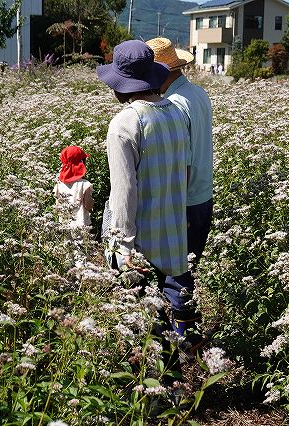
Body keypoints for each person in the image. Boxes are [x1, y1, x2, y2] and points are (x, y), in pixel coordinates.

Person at [96, 39, 191, 298]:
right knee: (173, 318)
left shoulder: (125, 123)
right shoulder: (177, 113)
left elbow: (124, 191)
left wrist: (122, 248)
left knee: (144, 326)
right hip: (173, 235)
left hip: (140, 245)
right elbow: (184, 173)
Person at [145, 37, 214, 344]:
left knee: (176, 274)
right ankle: (189, 334)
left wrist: (168, 206)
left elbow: (182, 163)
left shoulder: (174, 104)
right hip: (203, 196)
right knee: (187, 269)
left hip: (183, 200)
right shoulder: (198, 93)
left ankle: (185, 340)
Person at [54, 145, 94, 228]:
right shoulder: (85, 184)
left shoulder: (59, 184)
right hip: (81, 225)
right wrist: (92, 201)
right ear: (82, 164)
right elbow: (88, 206)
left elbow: (57, 207)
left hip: (65, 225)